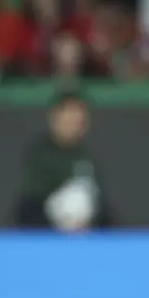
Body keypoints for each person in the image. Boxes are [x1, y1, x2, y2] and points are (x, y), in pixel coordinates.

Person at [14, 89, 112, 232]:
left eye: (79, 119)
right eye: (68, 117)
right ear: (55, 118)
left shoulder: (87, 158)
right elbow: (29, 206)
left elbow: (100, 206)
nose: (73, 123)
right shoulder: (40, 155)